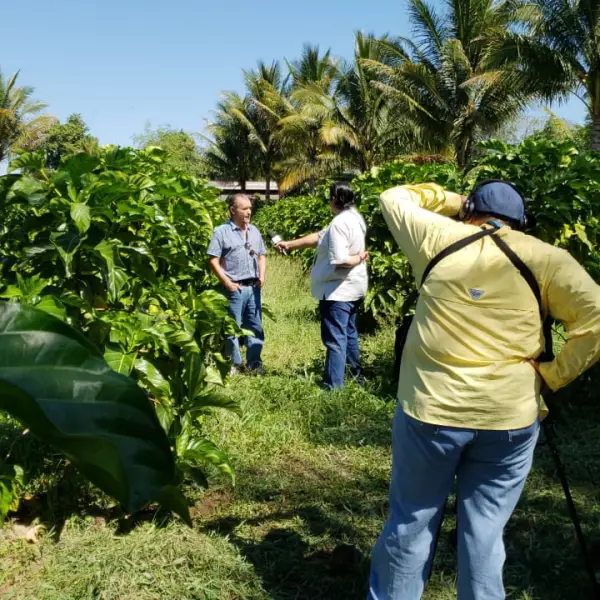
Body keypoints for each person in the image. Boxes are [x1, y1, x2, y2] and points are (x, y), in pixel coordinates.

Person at [367, 180, 600, 600]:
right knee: (485, 533)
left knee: (411, 523)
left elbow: (392, 198)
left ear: (471, 211)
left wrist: (455, 202)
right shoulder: (546, 258)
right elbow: (595, 318)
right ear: (521, 221)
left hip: (430, 411)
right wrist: (553, 374)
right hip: (509, 418)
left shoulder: (438, 236)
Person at [276, 182, 369, 389]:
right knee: (349, 334)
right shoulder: (354, 217)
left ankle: (334, 387)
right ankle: (356, 378)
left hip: (337, 291)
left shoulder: (339, 224)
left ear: (335, 199)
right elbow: (320, 236)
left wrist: (359, 258)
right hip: (354, 288)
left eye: (330, 198)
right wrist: (290, 244)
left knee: (335, 340)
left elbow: (340, 260)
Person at [207, 193, 267, 375]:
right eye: (244, 209)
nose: (249, 212)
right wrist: (226, 282)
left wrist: (262, 276)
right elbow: (213, 260)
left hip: (253, 288)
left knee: (255, 326)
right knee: (232, 327)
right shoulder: (221, 232)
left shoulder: (255, 231)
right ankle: (233, 364)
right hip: (235, 288)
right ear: (233, 210)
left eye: (250, 208)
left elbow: (262, 255)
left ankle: (254, 364)